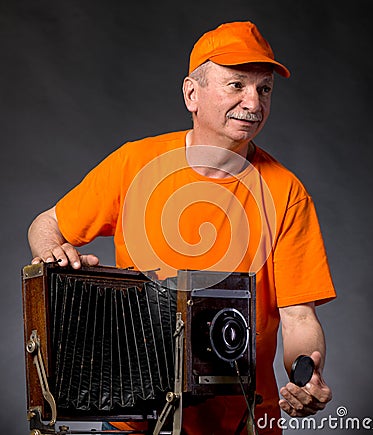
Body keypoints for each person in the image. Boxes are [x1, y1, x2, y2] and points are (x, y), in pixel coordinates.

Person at [28, 21, 336, 434]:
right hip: (135, 421)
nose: (254, 102)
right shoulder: (134, 164)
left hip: (241, 423)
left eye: (264, 89)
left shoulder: (286, 192)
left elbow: (299, 316)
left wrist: (307, 374)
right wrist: (52, 252)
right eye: (236, 85)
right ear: (192, 93)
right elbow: (46, 224)